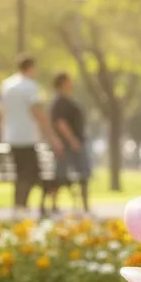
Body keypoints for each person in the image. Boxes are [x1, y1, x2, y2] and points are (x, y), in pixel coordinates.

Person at [0, 55, 60, 217]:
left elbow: (3, 110)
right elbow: (36, 111)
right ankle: (28, 207)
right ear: (30, 68)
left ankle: (19, 206)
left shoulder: (7, 85)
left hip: (11, 136)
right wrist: (50, 133)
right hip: (26, 137)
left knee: (21, 173)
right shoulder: (30, 86)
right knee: (33, 174)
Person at [49, 71, 91, 214]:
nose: (72, 84)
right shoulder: (60, 101)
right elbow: (61, 123)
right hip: (69, 144)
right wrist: (73, 141)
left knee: (81, 174)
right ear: (63, 83)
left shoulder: (66, 100)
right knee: (62, 175)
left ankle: (85, 205)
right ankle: (55, 205)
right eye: (69, 81)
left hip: (74, 142)